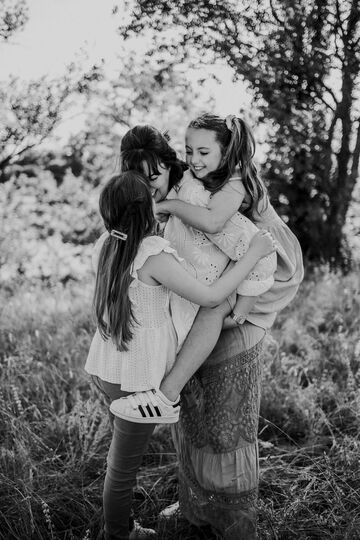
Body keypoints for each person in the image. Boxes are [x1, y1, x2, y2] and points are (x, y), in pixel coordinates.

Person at [112, 118, 304, 539]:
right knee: (195, 420)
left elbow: (251, 248)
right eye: (137, 182)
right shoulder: (173, 194)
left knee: (224, 426)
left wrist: (242, 298)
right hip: (200, 312)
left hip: (230, 306)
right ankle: (199, 510)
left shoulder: (203, 195)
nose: (148, 189)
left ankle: (232, 523)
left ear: (168, 163)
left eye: (154, 177)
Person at [84, 170, 275, 540]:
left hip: (110, 368)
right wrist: (251, 255)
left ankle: (120, 527)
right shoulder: (151, 254)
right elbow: (209, 297)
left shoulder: (106, 245)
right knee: (121, 468)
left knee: (120, 459)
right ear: (146, 212)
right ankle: (118, 534)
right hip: (137, 379)